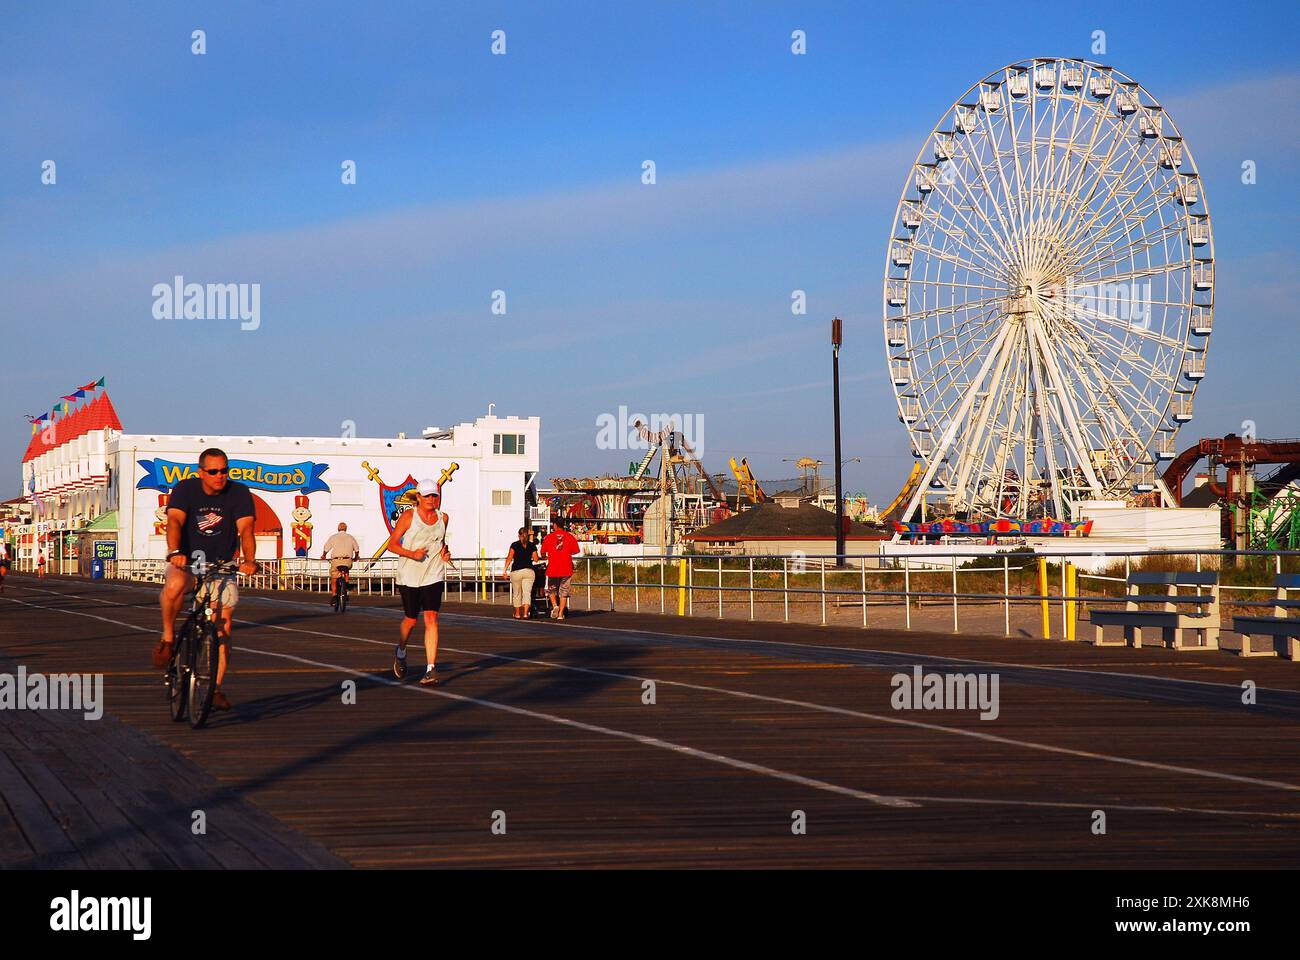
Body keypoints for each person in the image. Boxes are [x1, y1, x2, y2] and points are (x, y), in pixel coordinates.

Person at [152, 448, 258, 711]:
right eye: (213, 471)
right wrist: (175, 552)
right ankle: (167, 635)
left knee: (223, 627)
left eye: (224, 470)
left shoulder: (239, 493)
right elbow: (175, 521)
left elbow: (246, 529)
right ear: (201, 472)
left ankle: (216, 688)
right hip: (188, 561)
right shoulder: (185, 490)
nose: (220, 476)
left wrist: (249, 560)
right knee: (175, 585)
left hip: (222, 565)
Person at [387, 479, 452, 685]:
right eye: (427, 496)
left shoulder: (444, 518)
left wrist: (445, 553)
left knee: (431, 618)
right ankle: (401, 650)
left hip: (433, 574)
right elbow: (391, 544)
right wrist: (411, 554)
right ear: (418, 497)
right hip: (409, 575)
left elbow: (441, 542)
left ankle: (431, 668)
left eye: (434, 495)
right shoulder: (409, 517)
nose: (431, 499)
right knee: (411, 620)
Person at [539, 519, 580, 621]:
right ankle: (561, 614)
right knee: (564, 592)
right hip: (566, 568)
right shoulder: (570, 537)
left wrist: (546, 555)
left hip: (553, 568)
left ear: (555, 525)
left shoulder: (549, 537)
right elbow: (575, 551)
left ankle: (555, 606)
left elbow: (543, 552)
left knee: (551, 589)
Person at [501, 526, 538, 619]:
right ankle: (525, 613)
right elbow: (536, 559)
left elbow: (509, 558)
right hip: (529, 571)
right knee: (527, 593)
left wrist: (504, 571)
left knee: (517, 593)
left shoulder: (514, 545)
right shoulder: (532, 545)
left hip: (516, 571)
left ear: (519, 535)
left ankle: (517, 614)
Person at [320, 522, 360, 606]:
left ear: (338, 529)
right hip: (347, 561)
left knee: (334, 579)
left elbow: (326, 548)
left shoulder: (333, 537)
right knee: (346, 570)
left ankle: (334, 596)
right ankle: (346, 584)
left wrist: (324, 555)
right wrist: (356, 556)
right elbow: (356, 549)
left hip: (336, 561)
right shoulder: (350, 537)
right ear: (346, 529)